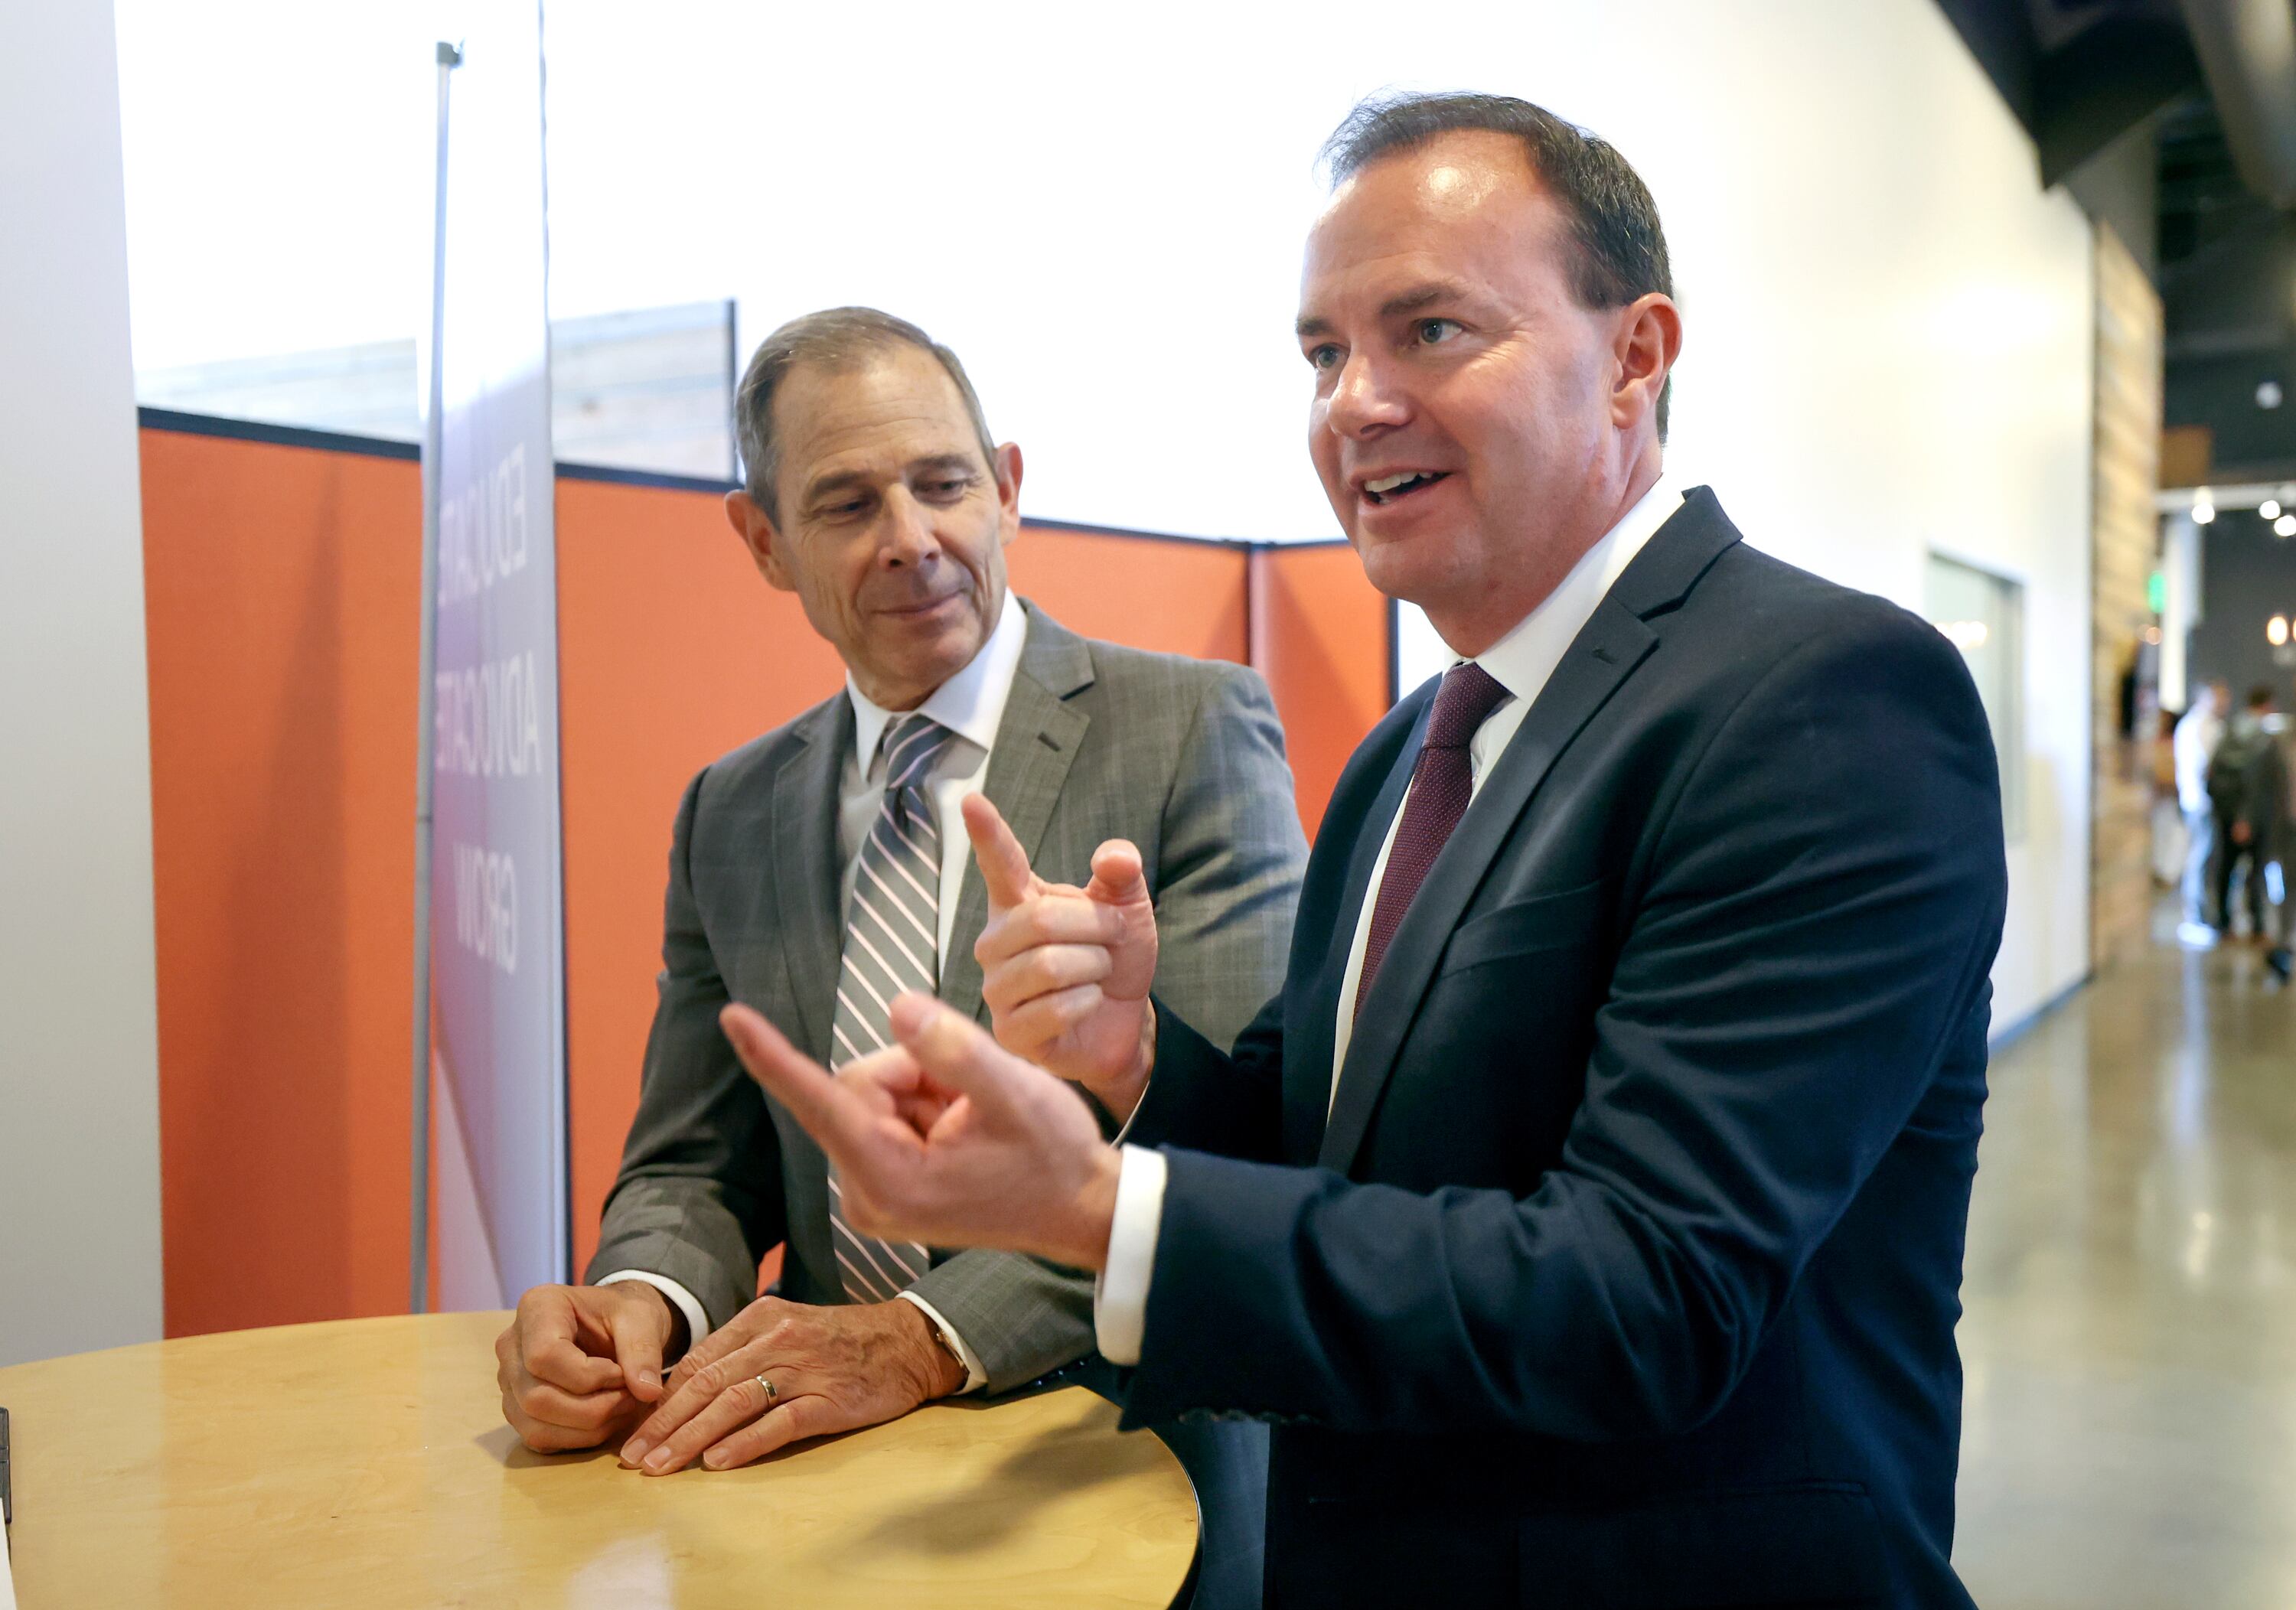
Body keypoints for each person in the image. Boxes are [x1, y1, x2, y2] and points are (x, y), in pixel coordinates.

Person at [727, 93, 2007, 1608]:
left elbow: (1644, 1296)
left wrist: (1090, 1207)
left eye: (1432, 331)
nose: (1355, 402)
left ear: (1636, 356)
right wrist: (1131, 1064)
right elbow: (1315, 1137)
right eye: (1324, 352)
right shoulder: (1416, 746)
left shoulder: (1823, 698)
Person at [491, 308, 1308, 1498]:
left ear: (1009, 488)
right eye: (847, 504)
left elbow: (1241, 1144)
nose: (912, 539)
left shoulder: (1190, 732)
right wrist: (637, 1306)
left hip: (1122, 1465)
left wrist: (922, 1339)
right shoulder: (732, 807)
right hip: (828, 1485)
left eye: (944, 485)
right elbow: (698, 1163)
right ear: (762, 540)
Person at [2209, 685, 2279, 943]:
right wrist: (2245, 817)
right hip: (2249, 815)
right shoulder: (2257, 736)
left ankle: (2224, 923)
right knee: (2253, 871)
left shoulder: (2230, 731)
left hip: (2228, 813)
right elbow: (2253, 781)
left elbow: (2213, 772)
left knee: (2227, 868)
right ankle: (2256, 925)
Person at [2173, 679, 2229, 945]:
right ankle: (2194, 917)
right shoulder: (2196, 727)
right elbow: (2205, 766)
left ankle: (2205, 914)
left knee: (2208, 860)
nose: (2224, 703)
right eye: (2219, 697)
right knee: (2200, 858)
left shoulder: (2212, 726)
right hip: (2200, 802)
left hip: (2208, 802)